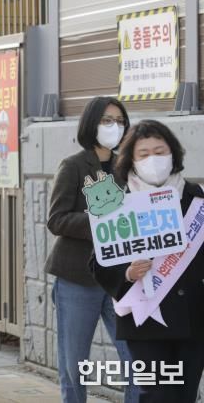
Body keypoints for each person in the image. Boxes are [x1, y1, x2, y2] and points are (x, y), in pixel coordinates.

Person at [92, 120, 204, 402]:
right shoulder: (118, 204)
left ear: (173, 154)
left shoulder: (195, 198)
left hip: (192, 317)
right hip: (145, 319)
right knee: (155, 394)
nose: (153, 159)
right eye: (144, 154)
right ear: (131, 160)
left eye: (159, 151)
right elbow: (99, 262)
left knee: (185, 395)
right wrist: (127, 273)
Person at [44, 96, 137, 403]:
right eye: (107, 120)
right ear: (91, 124)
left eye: (120, 121)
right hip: (78, 278)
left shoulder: (129, 167)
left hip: (122, 278)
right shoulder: (73, 166)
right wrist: (99, 221)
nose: (114, 127)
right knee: (75, 366)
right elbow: (56, 219)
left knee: (136, 361)